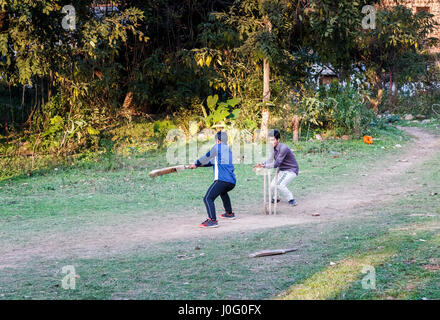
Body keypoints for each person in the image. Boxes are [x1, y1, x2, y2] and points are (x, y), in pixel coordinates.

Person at [189, 131, 236, 228]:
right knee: (223, 192)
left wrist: (196, 163)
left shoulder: (218, 147)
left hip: (222, 180)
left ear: (218, 141)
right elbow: (212, 162)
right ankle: (229, 213)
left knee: (208, 198)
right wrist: (197, 166)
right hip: (231, 182)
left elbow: (207, 156)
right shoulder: (227, 150)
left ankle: (212, 220)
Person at [254, 129, 299, 206]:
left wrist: (264, 166)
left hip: (291, 170)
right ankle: (277, 197)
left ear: (278, 140)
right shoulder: (272, 147)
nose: (271, 142)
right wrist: (262, 164)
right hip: (282, 170)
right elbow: (270, 159)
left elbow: (276, 164)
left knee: (280, 185)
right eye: (269, 140)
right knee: (272, 186)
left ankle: (291, 199)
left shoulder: (283, 148)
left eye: (273, 140)